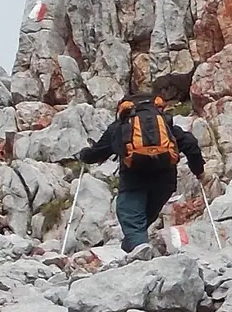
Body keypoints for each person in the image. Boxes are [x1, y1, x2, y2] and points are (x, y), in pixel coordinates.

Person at [77, 93, 205, 252]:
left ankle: (139, 247)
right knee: (142, 218)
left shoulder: (121, 126)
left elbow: (97, 153)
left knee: (129, 211)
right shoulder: (164, 123)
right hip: (165, 182)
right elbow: (190, 143)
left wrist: (83, 155)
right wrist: (198, 170)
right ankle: (132, 245)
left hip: (134, 178)